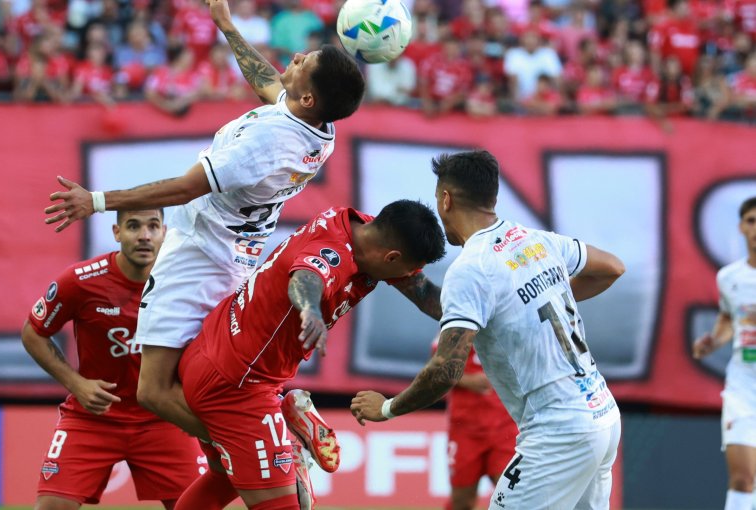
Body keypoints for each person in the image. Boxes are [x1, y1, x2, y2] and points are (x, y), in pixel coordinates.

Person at [44, 0, 365, 488]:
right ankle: (280, 415)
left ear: (307, 99)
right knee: (205, 379)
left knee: (153, 390)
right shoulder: (320, 128)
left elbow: (185, 187)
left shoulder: (269, 143)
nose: (295, 58)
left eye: (305, 63)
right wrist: (227, 26)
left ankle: (267, 444)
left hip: (199, 255)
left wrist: (98, 199)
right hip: (238, 256)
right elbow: (271, 85)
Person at [351, 150, 626, 509]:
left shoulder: (472, 267)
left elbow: (446, 370)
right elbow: (612, 268)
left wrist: (387, 408)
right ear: (492, 199)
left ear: (446, 199)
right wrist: (535, 299)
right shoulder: (537, 241)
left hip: (558, 432)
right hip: (602, 415)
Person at [174, 201, 446, 510]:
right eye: (410, 269)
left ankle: (286, 426)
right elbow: (305, 278)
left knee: (223, 479)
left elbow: (426, 296)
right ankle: (287, 441)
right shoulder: (336, 254)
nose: (411, 277)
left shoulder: (363, 229)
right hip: (237, 388)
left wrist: (477, 313)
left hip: (210, 351)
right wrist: (311, 310)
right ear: (392, 257)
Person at [21, 209, 203, 510]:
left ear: (164, 232)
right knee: (51, 506)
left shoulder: (184, 284)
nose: (144, 235)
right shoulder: (79, 281)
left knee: (197, 505)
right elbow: (33, 333)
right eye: (133, 226)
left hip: (164, 417)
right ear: (117, 232)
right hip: (93, 418)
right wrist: (76, 384)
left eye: (152, 226)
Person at [693, 197, 756, 510]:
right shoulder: (729, 278)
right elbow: (730, 318)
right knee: (744, 478)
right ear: (741, 227)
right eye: (751, 221)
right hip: (743, 387)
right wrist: (713, 341)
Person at [433, 337, 517, 510]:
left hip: (505, 428)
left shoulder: (509, 324)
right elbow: (434, 370)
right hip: (465, 430)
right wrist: (467, 380)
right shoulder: (457, 325)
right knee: (462, 502)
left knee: (512, 498)